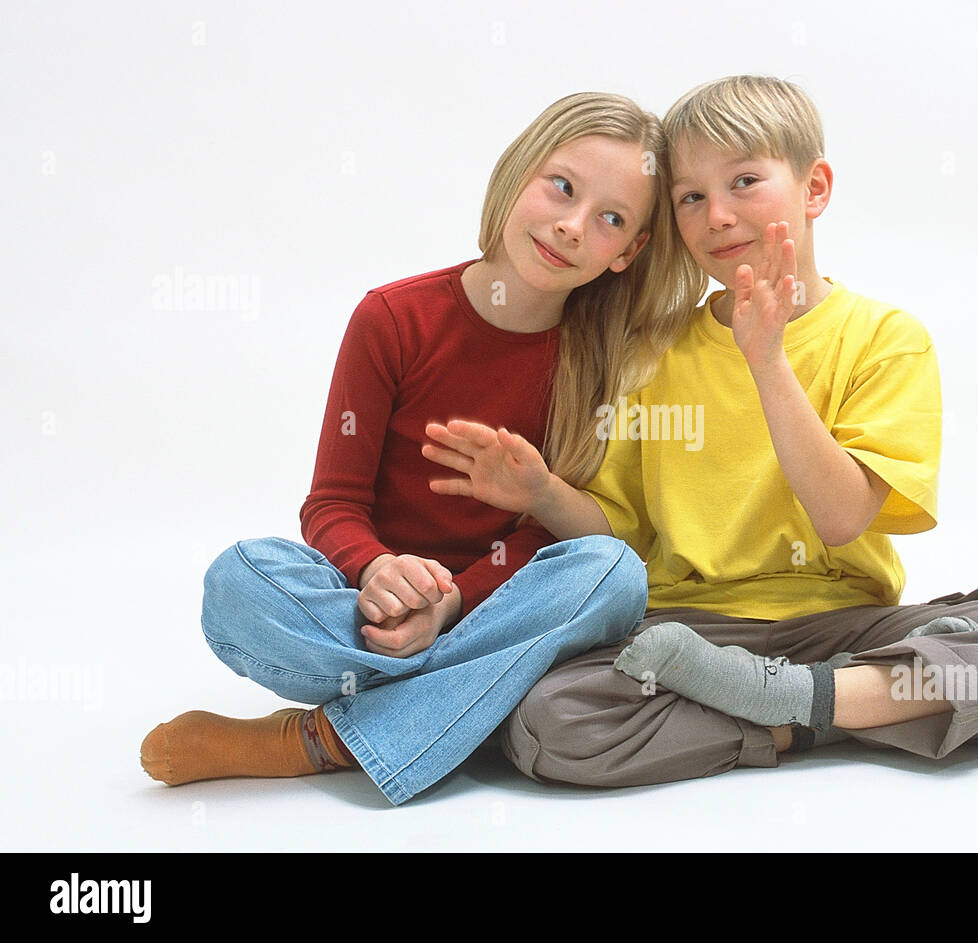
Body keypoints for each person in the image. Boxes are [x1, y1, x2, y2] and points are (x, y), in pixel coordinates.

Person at [424, 75, 978, 787]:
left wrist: (768, 360)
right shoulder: (653, 351)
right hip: (690, 630)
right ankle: (849, 709)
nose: (717, 215)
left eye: (745, 181)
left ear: (814, 189)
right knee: (549, 722)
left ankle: (796, 703)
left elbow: (842, 518)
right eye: (691, 197)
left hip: (846, 625)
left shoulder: (886, 339)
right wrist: (541, 491)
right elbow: (617, 537)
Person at [138, 91, 706, 805]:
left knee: (613, 574)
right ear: (518, 172)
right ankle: (464, 700)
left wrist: (458, 596)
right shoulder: (393, 318)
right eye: (561, 187)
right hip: (369, 614)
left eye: (609, 220)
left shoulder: (601, 360)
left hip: (492, 609)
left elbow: (553, 541)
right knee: (239, 578)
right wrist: (376, 569)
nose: (570, 226)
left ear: (629, 253)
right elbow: (333, 503)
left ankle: (318, 740)